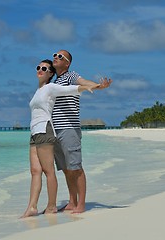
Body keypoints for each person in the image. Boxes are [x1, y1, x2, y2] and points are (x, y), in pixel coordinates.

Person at [21, 59, 99, 218]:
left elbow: (71, 89)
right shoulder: (38, 91)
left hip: (45, 129)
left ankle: (51, 206)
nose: (40, 70)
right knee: (35, 171)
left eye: (44, 68)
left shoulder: (51, 87)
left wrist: (91, 86)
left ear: (50, 73)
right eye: (38, 67)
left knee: (49, 171)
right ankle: (32, 207)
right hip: (34, 132)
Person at [52, 50, 112, 214]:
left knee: (76, 167)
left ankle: (81, 204)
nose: (55, 58)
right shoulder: (55, 81)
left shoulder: (71, 76)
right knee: (65, 168)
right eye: (54, 55)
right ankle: (72, 201)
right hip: (55, 130)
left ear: (67, 63)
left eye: (60, 57)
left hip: (69, 128)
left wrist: (98, 86)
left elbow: (84, 82)